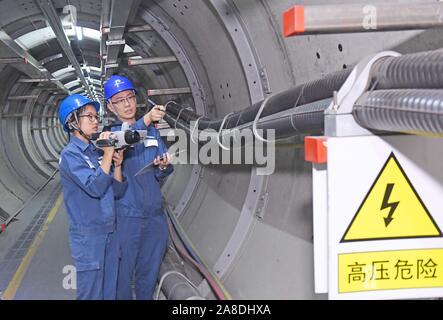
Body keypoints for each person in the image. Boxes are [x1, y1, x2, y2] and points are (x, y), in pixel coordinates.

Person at [104, 75, 173, 300]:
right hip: (127, 219)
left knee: (148, 276)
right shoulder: (110, 135)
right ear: (110, 107)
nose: (127, 104)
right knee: (122, 278)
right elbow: (127, 137)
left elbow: (159, 174)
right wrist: (145, 120)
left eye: (130, 97)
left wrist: (163, 166)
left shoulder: (153, 133)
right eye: (120, 100)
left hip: (154, 216)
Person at [58, 94, 127, 300]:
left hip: (109, 232)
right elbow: (95, 188)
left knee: (108, 292)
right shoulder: (70, 155)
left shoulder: (94, 152)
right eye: (90, 117)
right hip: (88, 237)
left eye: (97, 117)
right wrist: (107, 154)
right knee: (91, 294)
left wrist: (117, 164)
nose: (96, 121)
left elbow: (116, 192)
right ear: (72, 122)